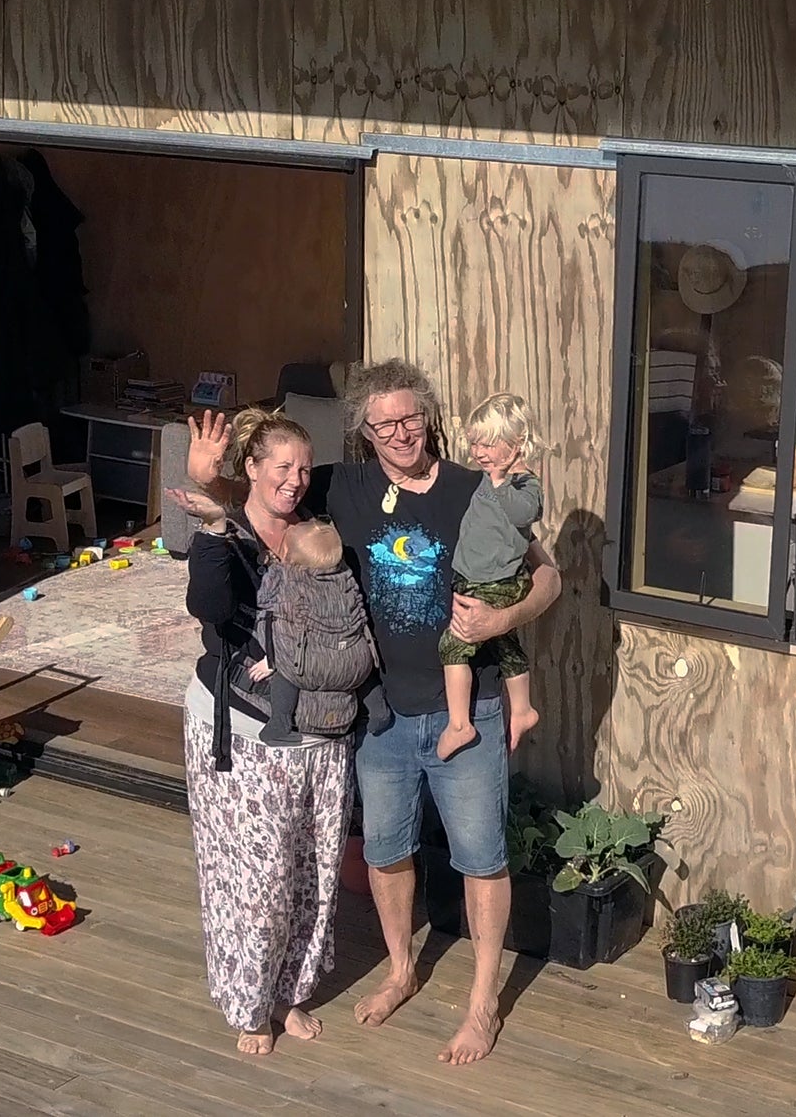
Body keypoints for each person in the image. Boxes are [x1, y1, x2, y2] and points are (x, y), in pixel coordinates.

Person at [187, 360, 563, 1066]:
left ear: (430, 416)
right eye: (384, 422)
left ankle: (482, 1006)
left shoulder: (471, 488)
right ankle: (400, 968)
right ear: (363, 429)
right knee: (388, 854)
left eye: (411, 417)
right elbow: (270, 497)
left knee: (482, 861)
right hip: (382, 717)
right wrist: (213, 482)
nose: (400, 433)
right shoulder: (344, 486)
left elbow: (550, 574)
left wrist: (504, 616)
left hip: (470, 707)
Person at [172, 409, 349, 1058]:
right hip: (239, 729)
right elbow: (211, 608)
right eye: (284, 467)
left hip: (319, 737)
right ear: (252, 467)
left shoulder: (318, 523)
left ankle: (289, 992)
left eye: (305, 468)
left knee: (310, 872)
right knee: (252, 876)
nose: (298, 481)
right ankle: (249, 1004)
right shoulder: (229, 532)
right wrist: (214, 510)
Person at [437, 393, 543, 762]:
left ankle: (459, 724)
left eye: (488, 443)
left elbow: (522, 515)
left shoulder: (523, 485)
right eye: (474, 442)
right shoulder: (489, 478)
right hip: (476, 578)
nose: (479, 451)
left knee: (453, 645)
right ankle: (524, 709)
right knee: (505, 645)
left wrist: (500, 481)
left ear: (516, 445)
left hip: (497, 582)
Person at [255, 516, 387, 747]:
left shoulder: (286, 576)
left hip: (308, 664)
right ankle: (379, 711)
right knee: (362, 674)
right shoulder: (345, 577)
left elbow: (269, 611)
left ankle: (278, 725)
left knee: (286, 676)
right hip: (353, 662)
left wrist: (273, 657)